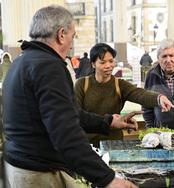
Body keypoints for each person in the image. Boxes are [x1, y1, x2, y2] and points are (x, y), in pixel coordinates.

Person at [2, 5, 139, 188]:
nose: (72, 43)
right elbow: (65, 132)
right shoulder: (49, 66)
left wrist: (107, 122)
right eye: (72, 36)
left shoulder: (21, 61)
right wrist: (106, 178)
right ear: (61, 34)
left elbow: (68, 113)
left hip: (19, 164)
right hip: (38, 172)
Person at [74, 43, 174, 145]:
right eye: (103, 62)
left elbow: (139, 94)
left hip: (113, 143)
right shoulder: (82, 84)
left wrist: (159, 98)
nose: (108, 66)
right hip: (87, 144)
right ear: (93, 64)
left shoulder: (119, 84)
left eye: (111, 61)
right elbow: (75, 114)